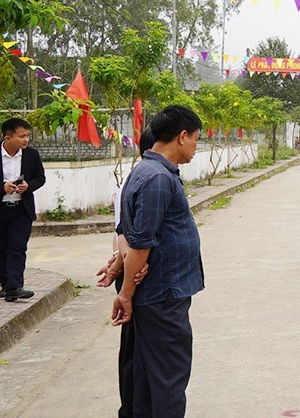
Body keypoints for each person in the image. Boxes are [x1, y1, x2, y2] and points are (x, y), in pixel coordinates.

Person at [112, 106, 205, 418]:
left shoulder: (150, 172)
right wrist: (125, 294)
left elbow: (131, 234)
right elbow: (139, 243)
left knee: (148, 374)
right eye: (195, 139)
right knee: (168, 375)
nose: (196, 145)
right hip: (164, 294)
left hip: (162, 291)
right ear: (181, 137)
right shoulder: (156, 179)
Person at [96, 127, 154, 418]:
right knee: (136, 353)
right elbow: (127, 236)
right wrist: (126, 264)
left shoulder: (140, 180)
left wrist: (120, 261)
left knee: (137, 351)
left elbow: (121, 234)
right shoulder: (146, 182)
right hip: (136, 274)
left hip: (132, 268)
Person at [0, 117, 46, 302]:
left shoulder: (31, 155)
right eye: (22, 136)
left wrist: (28, 186)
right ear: (7, 138)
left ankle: (15, 286)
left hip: (21, 210)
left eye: (28, 136)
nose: (26, 140)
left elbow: (40, 178)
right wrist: (1, 186)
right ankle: (6, 286)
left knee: (17, 248)